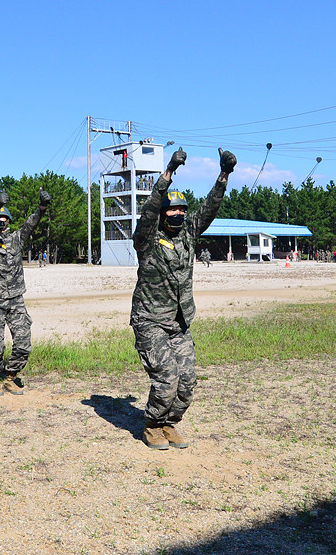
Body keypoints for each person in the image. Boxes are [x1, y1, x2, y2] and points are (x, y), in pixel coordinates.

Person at [131, 147, 236, 450]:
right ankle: (152, 425)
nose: (178, 214)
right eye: (172, 210)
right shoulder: (147, 239)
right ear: (163, 213)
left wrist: (224, 174)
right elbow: (149, 209)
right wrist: (168, 172)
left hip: (179, 322)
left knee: (187, 381)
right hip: (150, 320)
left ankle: (169, 424)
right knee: (167, 377)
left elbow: (210, 209)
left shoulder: (188, 233)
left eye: (181, 210)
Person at [0, 189, 50, 396]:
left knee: (23, 342)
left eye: (4, 218)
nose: (1, 221)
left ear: (9, 221)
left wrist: (42, 207)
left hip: (16, 299)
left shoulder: (17, 239)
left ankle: (10, 377)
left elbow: (31, 224)